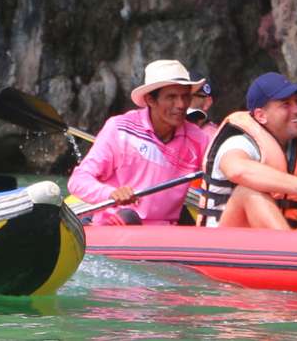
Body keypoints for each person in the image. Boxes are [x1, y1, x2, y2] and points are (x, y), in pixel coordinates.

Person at [68, 59, 211, 226]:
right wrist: (111, 193)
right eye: (171, 97)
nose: (180, 105)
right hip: (118, 223)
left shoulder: (199, 139)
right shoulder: (119, 129)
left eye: (185, 96)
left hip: (166, 234)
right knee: (127, 217)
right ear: (150, 100)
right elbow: (77, 180)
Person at [196, 72, 297, 230]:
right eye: (285, 104)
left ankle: (293, 250)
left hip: (284, 244)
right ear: (261, 116)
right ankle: (288, 251)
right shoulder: (238, 142)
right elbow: (237, 170)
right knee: (247, 192)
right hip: (224, 244)